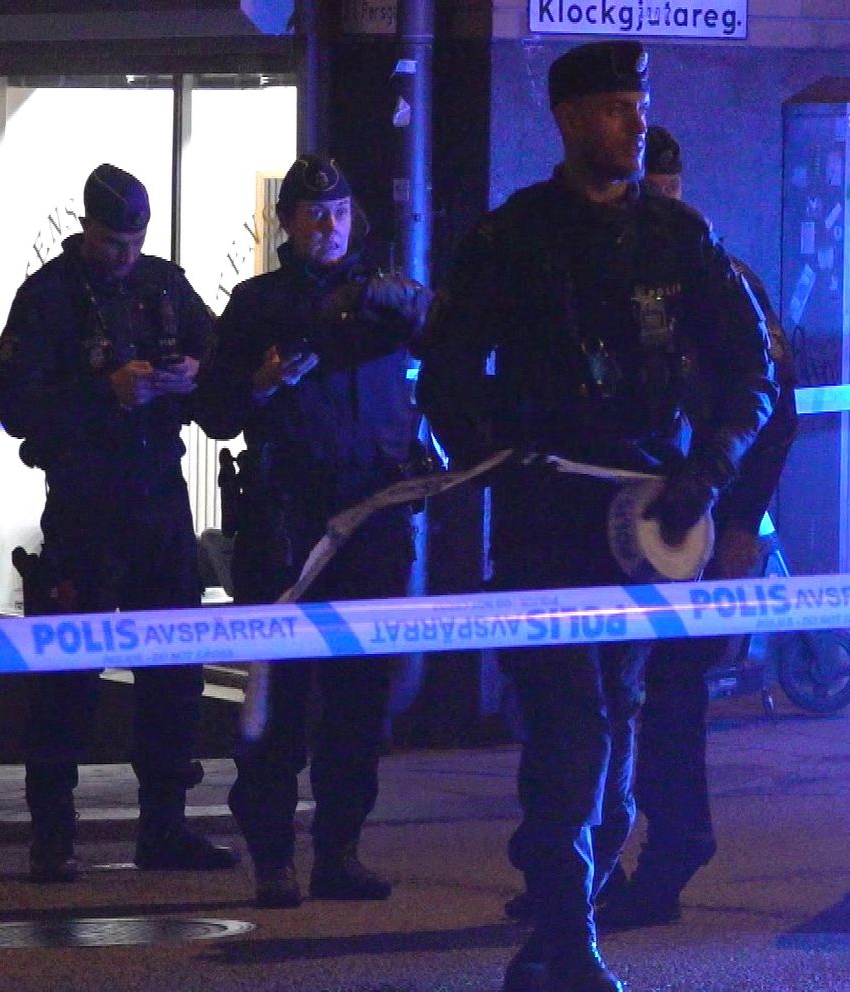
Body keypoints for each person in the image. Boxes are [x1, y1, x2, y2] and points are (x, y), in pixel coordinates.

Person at [416, 42, 776, 992]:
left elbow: (752, 372)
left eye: (639, 105)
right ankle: (567, 932)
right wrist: (496, 453)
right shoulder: (514, 238)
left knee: (618, 723)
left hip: (651, 526)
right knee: (571, 731)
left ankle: (560, 924)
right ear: (570, 119)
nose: (635, 123)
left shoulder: (679, 239)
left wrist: (709, 472)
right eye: (616, 108)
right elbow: (446, 378)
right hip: (546, 525)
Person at [0, 163, 239, 882]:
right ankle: (53, 837)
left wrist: (194, 374)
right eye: (111, 241)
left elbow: (220, 354)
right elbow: (17, 408)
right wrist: (106, 392)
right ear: (86, 229)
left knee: (174, 673)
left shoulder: (164, 285)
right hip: (84, 505)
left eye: (134, 240)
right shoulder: (48, 296)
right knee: (66, 676)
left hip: (159, 500)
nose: (124, 254)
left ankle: (165, 827)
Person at [194, 153, 430, 909]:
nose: (329, 226)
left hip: (373, 518)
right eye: (314, 213)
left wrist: (421, 307)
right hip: (287, 523)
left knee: (360, 702)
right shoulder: (258, 303)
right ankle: (273, 858)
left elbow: (446, 351)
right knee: (279, 700)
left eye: (339, 212)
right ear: (287, 223)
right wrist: (261, 382)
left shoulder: (387, 297)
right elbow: (215, 410)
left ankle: (339, 853)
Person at [596, 124, 799, 929]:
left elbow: (773, 408)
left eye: (666, 192)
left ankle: (672, 852)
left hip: (698, 520)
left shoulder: (723, 280)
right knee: (597, 694)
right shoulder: (594, 271)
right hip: (612, 512)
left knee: (670, 695)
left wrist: (741, 522)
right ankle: (583, 864)